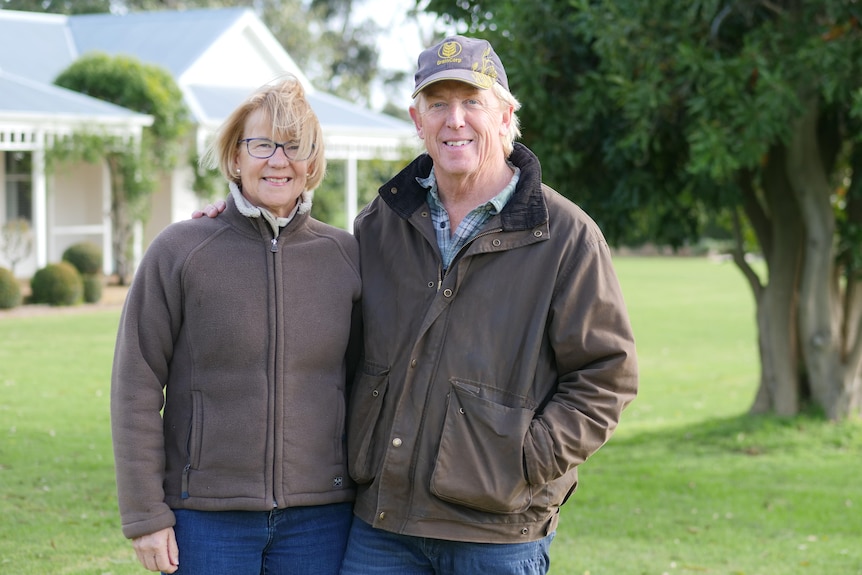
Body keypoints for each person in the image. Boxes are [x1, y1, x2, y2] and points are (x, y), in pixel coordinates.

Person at [196, 35, 637, 575]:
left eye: (472, 101)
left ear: (505, 116)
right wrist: (239, 217)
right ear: (417, 118)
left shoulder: (567, 236)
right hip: (382, 527)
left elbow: (607, 375)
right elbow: (325, 324)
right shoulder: (379, 224)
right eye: (438, 104)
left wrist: (527, 457)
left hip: (496, 533)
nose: (455, 120)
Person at [111, 76, 361, 575]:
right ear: (235, 158)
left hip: (322, 518)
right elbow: (135, 385)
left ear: (311, 163)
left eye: (295, 146)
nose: (278, 159)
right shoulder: (180, 251)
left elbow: (366, 381)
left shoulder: (345, 256)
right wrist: (145, 515)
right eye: (262, 144)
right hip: (205, 517)